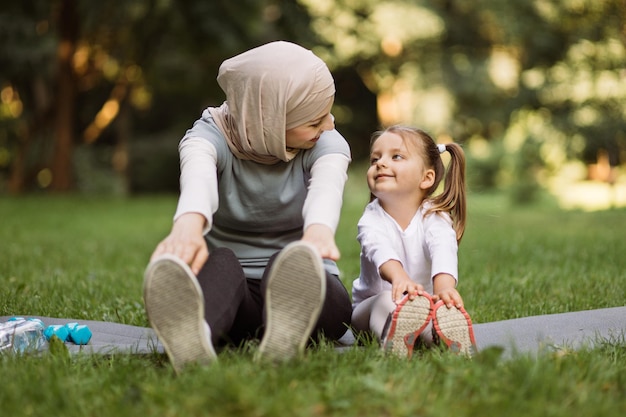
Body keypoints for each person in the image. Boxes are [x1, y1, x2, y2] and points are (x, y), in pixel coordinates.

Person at [142, 41, 353, 372]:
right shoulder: (212, 135)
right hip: (235, 301)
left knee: (296, 268)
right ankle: (195, 336)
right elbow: (198, 175)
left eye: (327, 112)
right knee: (222, 263)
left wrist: (318, 232)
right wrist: (188, 226)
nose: (328, 125)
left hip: (305, 293)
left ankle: (287, 329)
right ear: (268, 121)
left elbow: (327, 187)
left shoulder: (328, 144)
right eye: (314, 121)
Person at [351, 125, 476, 358]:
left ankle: (441, 336)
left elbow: (443, 248)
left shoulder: (435, 216)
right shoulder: (371, 217)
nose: (380, 163)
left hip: (422, 306)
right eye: (375, 158)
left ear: (426, 178)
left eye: (395, 156)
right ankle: (392, 338)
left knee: (434, 312)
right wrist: (399, 278)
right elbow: (379, 248)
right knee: (386, 302)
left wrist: (444, 290)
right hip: (368, 309)